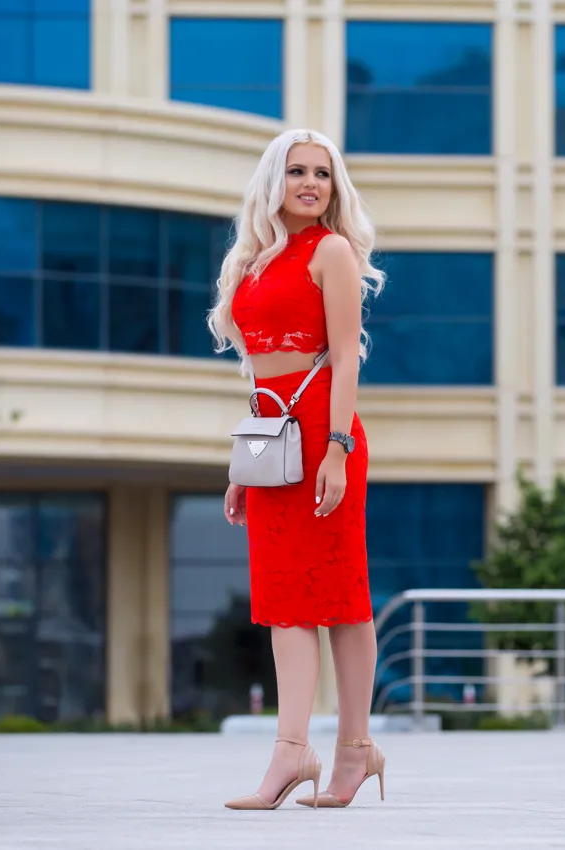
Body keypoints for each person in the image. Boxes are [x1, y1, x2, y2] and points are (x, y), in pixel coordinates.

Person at [206, 128, 387, 811]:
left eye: (322, 173)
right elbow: (259, 375)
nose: (310, 183)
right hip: (275, 438)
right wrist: (245, 465)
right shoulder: (252, 262)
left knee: (340, 597)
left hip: (324, 435)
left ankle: (351, 749)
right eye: (296, 172)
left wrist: (337, 448)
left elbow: (345, 359)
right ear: (272, 183)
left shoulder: (331, 251)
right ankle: (294, 753)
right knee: (285, 600)